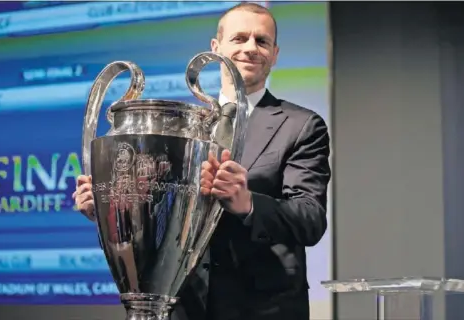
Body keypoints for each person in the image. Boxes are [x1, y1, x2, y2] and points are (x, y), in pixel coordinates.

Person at [73, 3, 331, 320]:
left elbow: (310, 218)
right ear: (216, 47)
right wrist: (113, 208)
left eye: (262, 41)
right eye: (239, 38)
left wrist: (248, 202)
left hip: (262, 310)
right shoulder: (181, 127)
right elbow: (161, 212)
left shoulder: (301, 126)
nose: (251, 48)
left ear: (274, 54)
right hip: (183, 306)